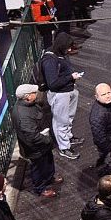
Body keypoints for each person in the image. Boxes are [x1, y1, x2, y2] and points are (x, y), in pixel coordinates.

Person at [40, 32, 83, 160]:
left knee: (68, 118)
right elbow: (53, 84)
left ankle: (68, 138)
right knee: (61, 122)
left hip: (68, 91)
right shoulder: (49, 60)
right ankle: (64, 147)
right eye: (68, 47)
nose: (69, 50)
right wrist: (70, 77)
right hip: (60, 95)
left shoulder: (58, 54)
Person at [11, 84, 59, 197]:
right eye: (34, 93)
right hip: (35, 148)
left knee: (47, 161)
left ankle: (49, 178)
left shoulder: (28, 105)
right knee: (38, 167)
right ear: (27, 97)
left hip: (42, 144)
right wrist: (47, 140)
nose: (36, 94)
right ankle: (40, 188)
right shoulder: (23, 115)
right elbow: (32, 136)